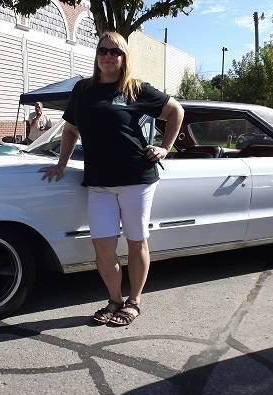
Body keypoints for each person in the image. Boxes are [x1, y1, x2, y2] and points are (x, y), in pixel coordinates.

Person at [39, 31, 184, 327]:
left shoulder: (136, 89)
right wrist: (60, 165)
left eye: (115, 52)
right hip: (99, 183)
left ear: (124, 57)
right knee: (102, 246)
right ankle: (114, 299)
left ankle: (134, 301)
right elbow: (69, 130)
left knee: (136, 242)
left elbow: (176, 111)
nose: (108, 56)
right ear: (96, 55)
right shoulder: (82, 90)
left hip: (137, 179)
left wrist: (165, 147)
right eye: (103, 50)